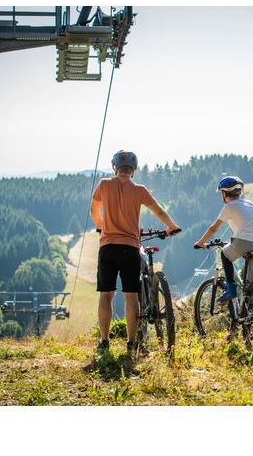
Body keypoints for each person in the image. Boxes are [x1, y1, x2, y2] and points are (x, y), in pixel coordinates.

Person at [90, 150, 180, 354]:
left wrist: (100, 226)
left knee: (106, 296)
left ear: (115, 167)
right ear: (134, 170)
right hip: (129, 247)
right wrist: (172, 226)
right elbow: (158, 210)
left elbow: (94, 209)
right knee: (131, 297)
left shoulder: (104, 185)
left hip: (107, 247)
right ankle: (131, 344)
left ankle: (104, 342)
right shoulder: (139, 190)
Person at [194, 176, 253, 302]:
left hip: (242, 242)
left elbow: (213, 228)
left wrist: (200, 242)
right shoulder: (250, 204)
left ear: (224, 193)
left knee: (225, 254)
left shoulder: (229, 206)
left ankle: (231, 288)